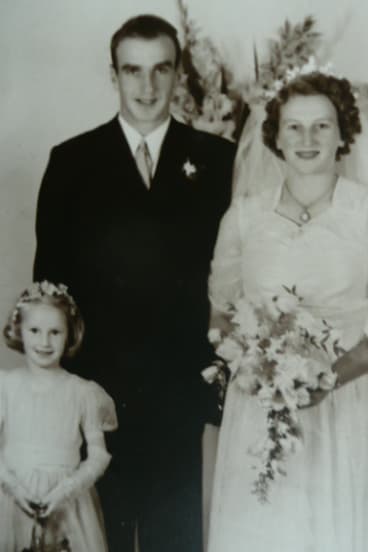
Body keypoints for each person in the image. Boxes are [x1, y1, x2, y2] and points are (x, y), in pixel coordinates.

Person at [33, 14, 236, 552]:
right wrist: (66, 390)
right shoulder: (71, 161)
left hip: (181, 385)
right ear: (114, 75)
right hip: (99, 391)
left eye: (160, 70)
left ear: (177, 75)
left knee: (177, 535)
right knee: (104, 535)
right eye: (133, 71)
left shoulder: (219, 161)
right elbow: (50, 290)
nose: (147, 87)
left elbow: (237, 274)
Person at [207, 69, 368, 552]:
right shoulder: (245, 215)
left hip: (347, 404)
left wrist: (327, 378)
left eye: (322, 125)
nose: (307, 139)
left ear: (343, 134)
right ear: (274, 136)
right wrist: (256, 371)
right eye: (293, 127)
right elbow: (220, 315)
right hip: (260, 409)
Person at [0, 280, 117, 551]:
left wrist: (66, 491)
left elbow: (98, 454)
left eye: (55, 332)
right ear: (19, 330)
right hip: (12, 498)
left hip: (68, 502)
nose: (44, 341)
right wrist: (15, 490)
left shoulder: (83, 391)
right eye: (35, 331)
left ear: (69, 335)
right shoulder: (5, 387)